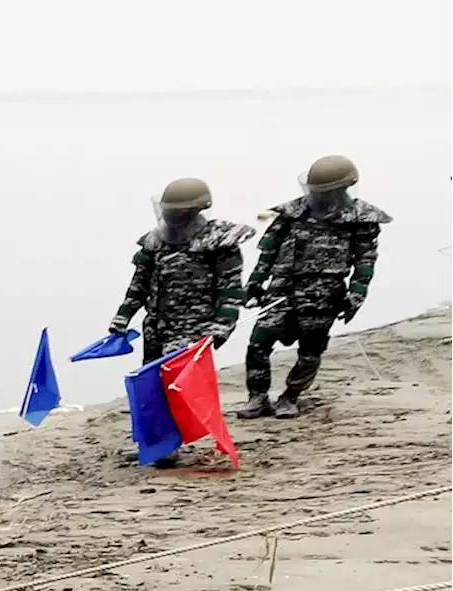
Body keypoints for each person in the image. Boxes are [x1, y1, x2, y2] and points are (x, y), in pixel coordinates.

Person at [108, 177, 255, 464]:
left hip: (193, 327)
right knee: (150, 384)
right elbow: (139, 284)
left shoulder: (219, 243)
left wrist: (222, 325)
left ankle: (169, 446)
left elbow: (231, 288)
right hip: (157, 325)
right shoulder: (154, 243)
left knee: (173, 384)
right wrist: (122, 317)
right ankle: (154, 441)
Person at [237, 155, 392, 420]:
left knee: (311, 351)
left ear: (343, 188)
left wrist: (356, 296)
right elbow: (268, 251)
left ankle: (290, 397)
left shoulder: (361, 219)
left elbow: (365, 261)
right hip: (282, 289)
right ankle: (258, 397)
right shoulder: (292, 214)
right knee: (259, 343)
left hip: (325, 294)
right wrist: (254, 283)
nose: (320, 196)